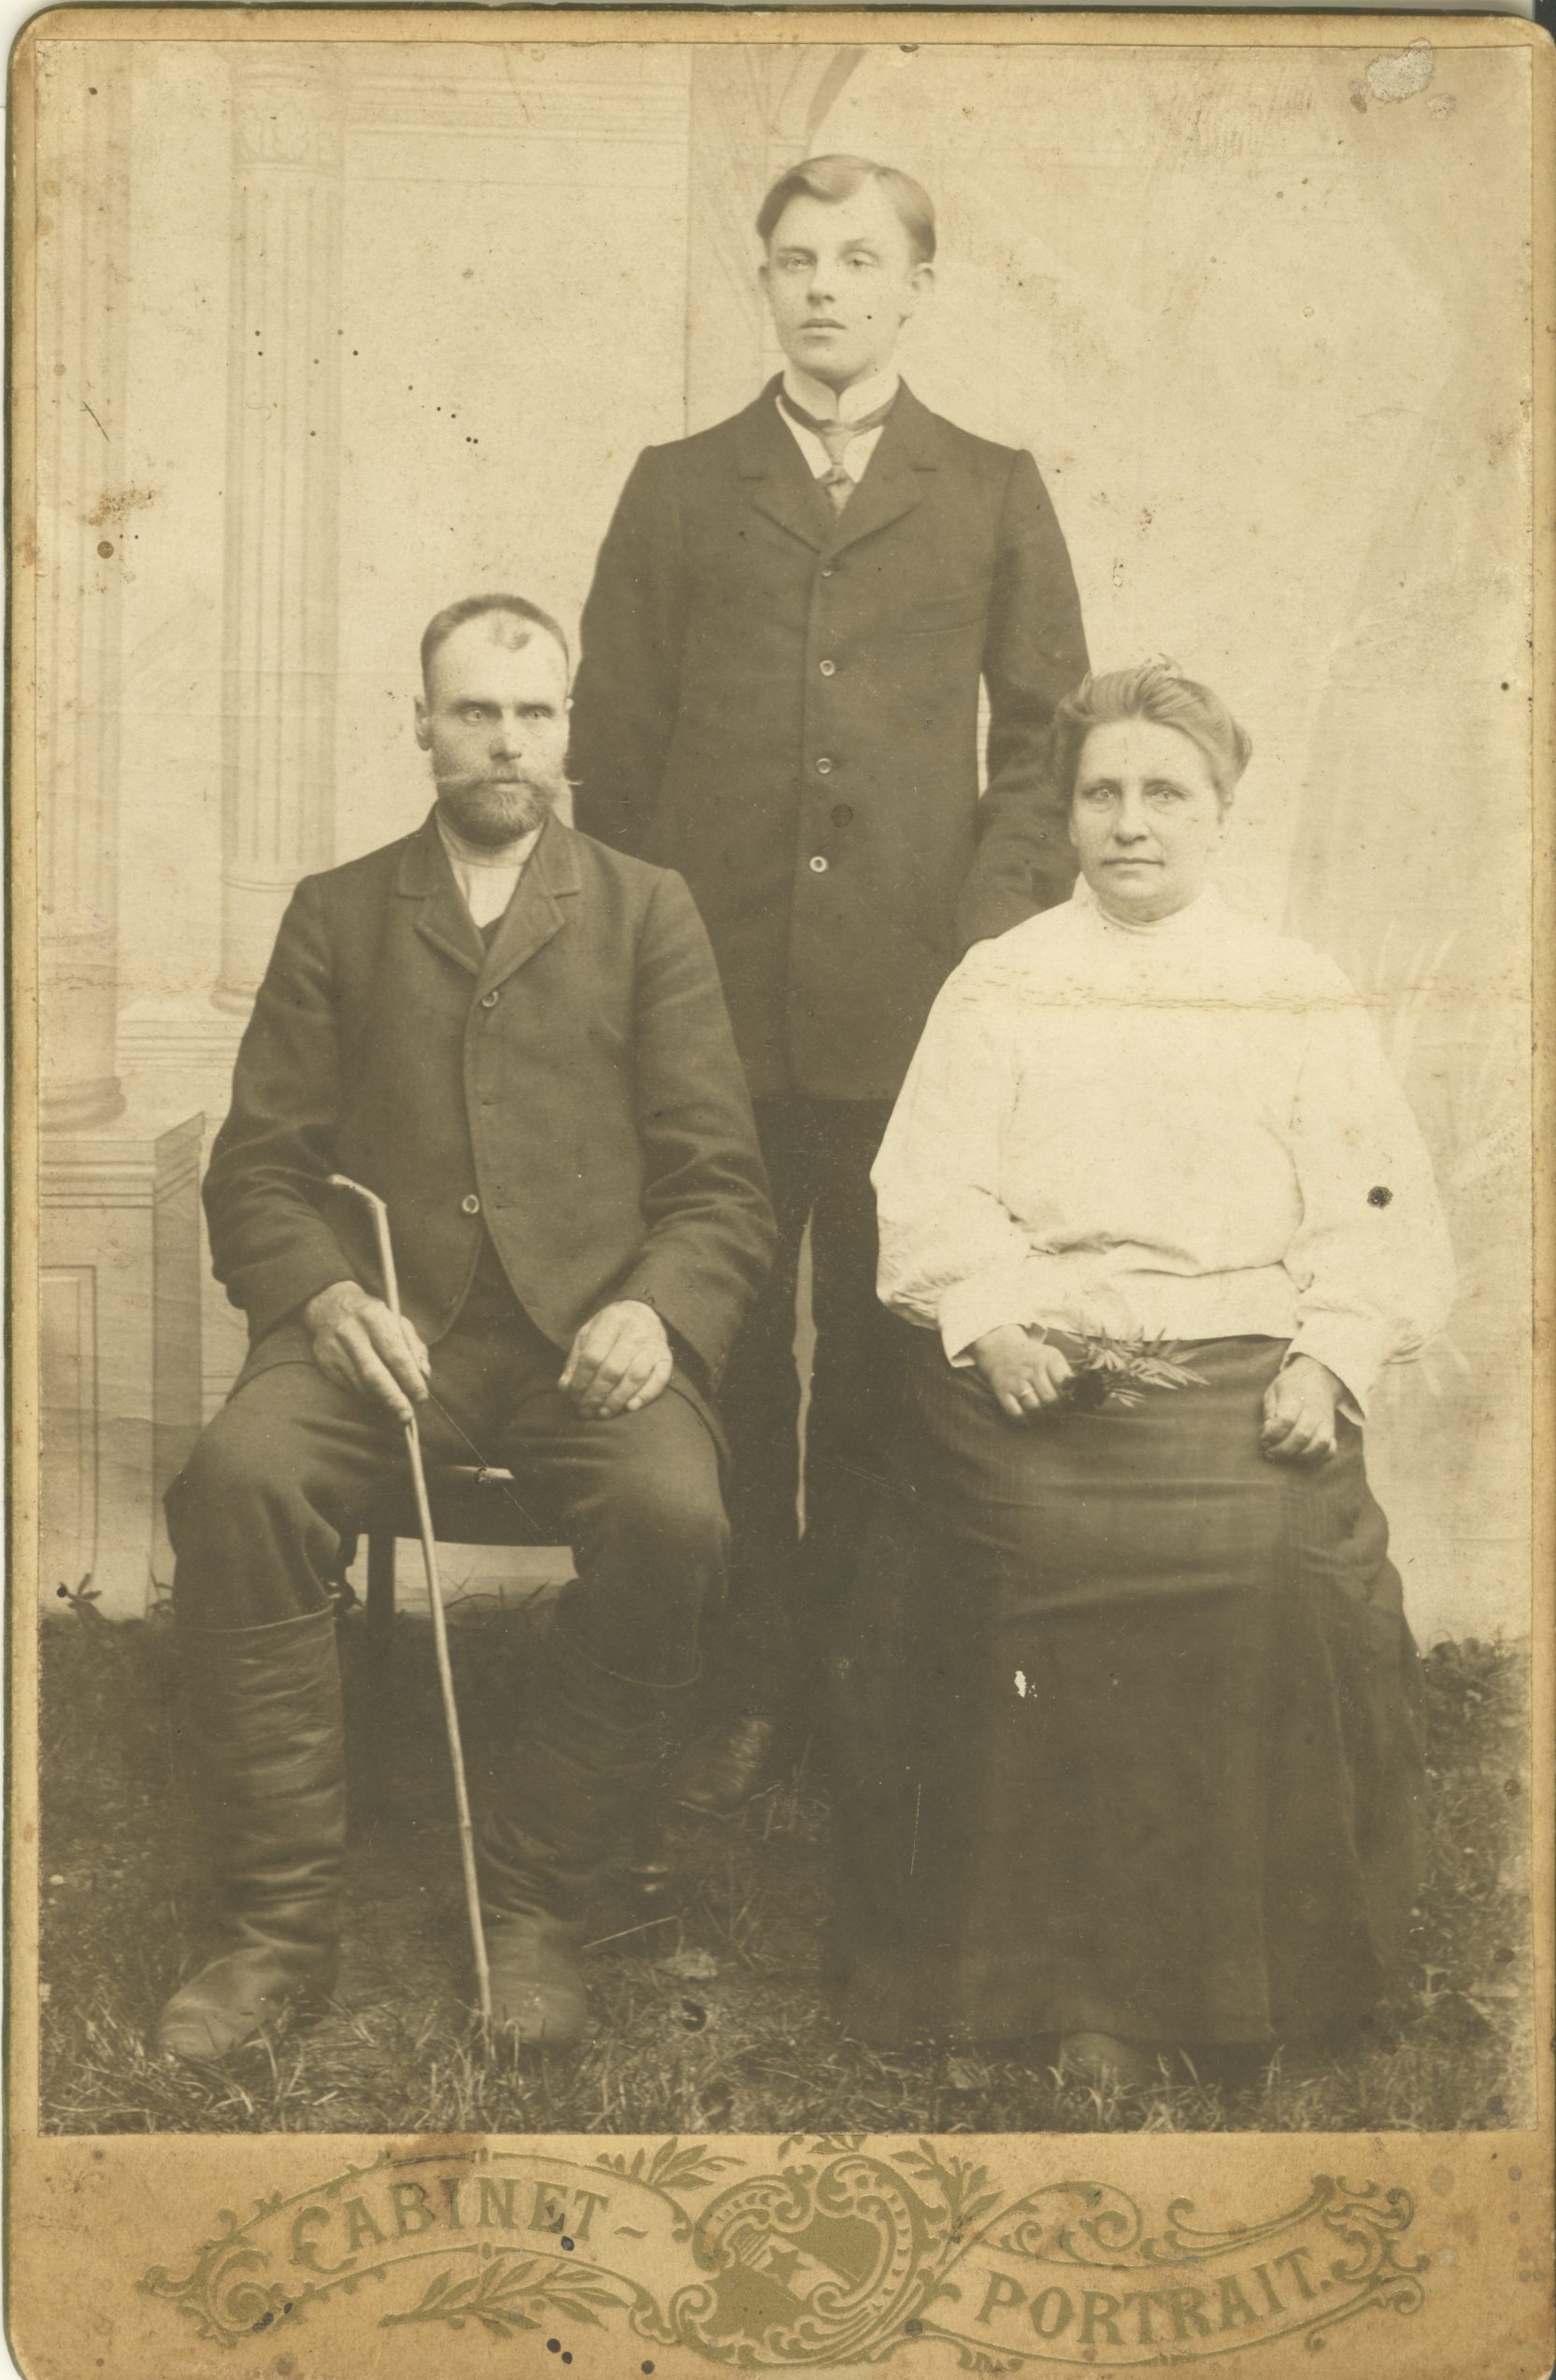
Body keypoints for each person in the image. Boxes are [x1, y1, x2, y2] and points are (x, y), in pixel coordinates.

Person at [158, 594, 775, 2059]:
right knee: (240, 1481)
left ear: (568, 727)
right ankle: (274, 1929)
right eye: (476, 712)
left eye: (534, 714)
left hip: (585, 1352)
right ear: (421, 724)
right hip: (388, 1339)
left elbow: (720, 1186)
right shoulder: (341, 906)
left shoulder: (645, 907)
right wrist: (325, 1294)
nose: (508, 742)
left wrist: (651, 1307)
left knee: (675, 1519)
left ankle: (537, 1904)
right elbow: (257, 1165)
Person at [831, 662, 1454, 2080]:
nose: (1128, 822)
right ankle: (1053, 1991)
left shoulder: (1290, 990)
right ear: (1065, 814)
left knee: (1271, 1563)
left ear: (1220, 809)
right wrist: (990, 1322)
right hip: (1044, 1366)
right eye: (1100, 792)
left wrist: (1330, 1360)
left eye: (1163, 791)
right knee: (1036, 1552)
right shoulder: (1000, 982)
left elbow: (1377, 1213)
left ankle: (1262, 1983)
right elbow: (927, 1196)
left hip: (1242, 1364)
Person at [569, 154, 1089, 1812]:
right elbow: (612, 756)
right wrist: (658, 956)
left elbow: (1054, 741)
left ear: (915, 284)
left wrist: (979, 945)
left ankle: (863, 1696)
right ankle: (740, 1674)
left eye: (859, 259)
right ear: (766, 283)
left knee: (879, 1355)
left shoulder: (993, 485)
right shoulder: (676, 482)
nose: (823, 287)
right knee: (724, 1350)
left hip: (910, 1016)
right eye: (794, 258)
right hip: (707, 1008)